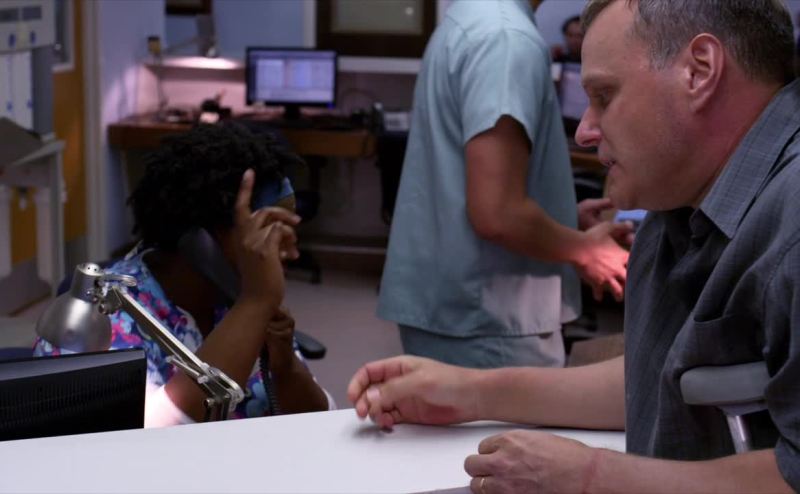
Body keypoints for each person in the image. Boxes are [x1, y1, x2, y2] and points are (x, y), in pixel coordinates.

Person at [350, 0, 800, 491]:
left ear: (699, 72)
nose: (585, 131)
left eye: (604, 95)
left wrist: (591, 477)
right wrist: (471, 391)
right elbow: (661, 376)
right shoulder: (676, 203)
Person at [376, 0, 630, 370]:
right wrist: (586, 250)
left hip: (457, 299)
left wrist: (564, 216)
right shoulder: (506, 39)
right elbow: (496, 214)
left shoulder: (474, 17)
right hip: (489, 317)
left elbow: (469, 180)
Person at [35, 123, 332, 426]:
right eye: (271, 231)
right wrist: (256, 301)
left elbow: (320, 422)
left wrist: (284, 366)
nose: (291, 250)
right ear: (202, 242)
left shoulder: (231, 297)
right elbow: (146, 437)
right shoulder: (108, 316)